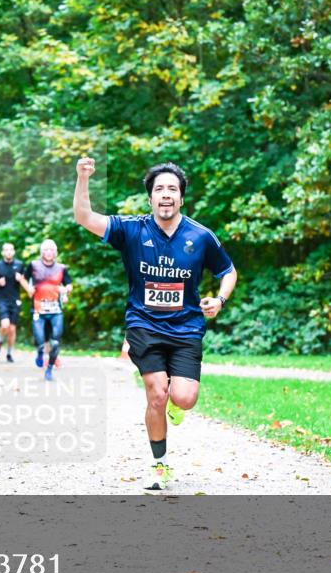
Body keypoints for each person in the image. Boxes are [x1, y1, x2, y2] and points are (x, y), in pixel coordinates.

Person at [73, 157, 237, 491]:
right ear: (150, 198)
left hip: (187, 328)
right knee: (157, 394)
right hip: (144, 325)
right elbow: (84, 217)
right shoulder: (131, 229)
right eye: (159, 189)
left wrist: (219, 300)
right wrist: (83, 178)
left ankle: (176, 406)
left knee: (184, 397)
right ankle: (160, 464)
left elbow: (228, 272)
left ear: (181, 198)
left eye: (172, 189)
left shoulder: (201, 236)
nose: (166, 194)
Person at [19, 239, 71, 382]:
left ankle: (49, 370)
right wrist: (28, 288)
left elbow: (69, 284)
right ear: (42, 252)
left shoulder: (61, 268)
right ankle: (40, 352)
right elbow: (23, 279)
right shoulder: (33, 265)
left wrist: (65, 292)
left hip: (56, 310)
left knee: (55, 342)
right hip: (38, 310)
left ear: (56, 253)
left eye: (52, 250)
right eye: (46, 249)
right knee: (40, 340)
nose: (49, 252)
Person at [0, 243, 25, 363]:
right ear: (2, 252)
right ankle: (0, 340)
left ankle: (10, 353)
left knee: (12, 329)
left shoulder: (20, 265)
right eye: (6, 250)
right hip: (2, 299)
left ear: (14, 252)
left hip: (15, 299)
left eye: (11, 250)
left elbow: (25, 279)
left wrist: (20, 279)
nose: (9, 252)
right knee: (5, 324)